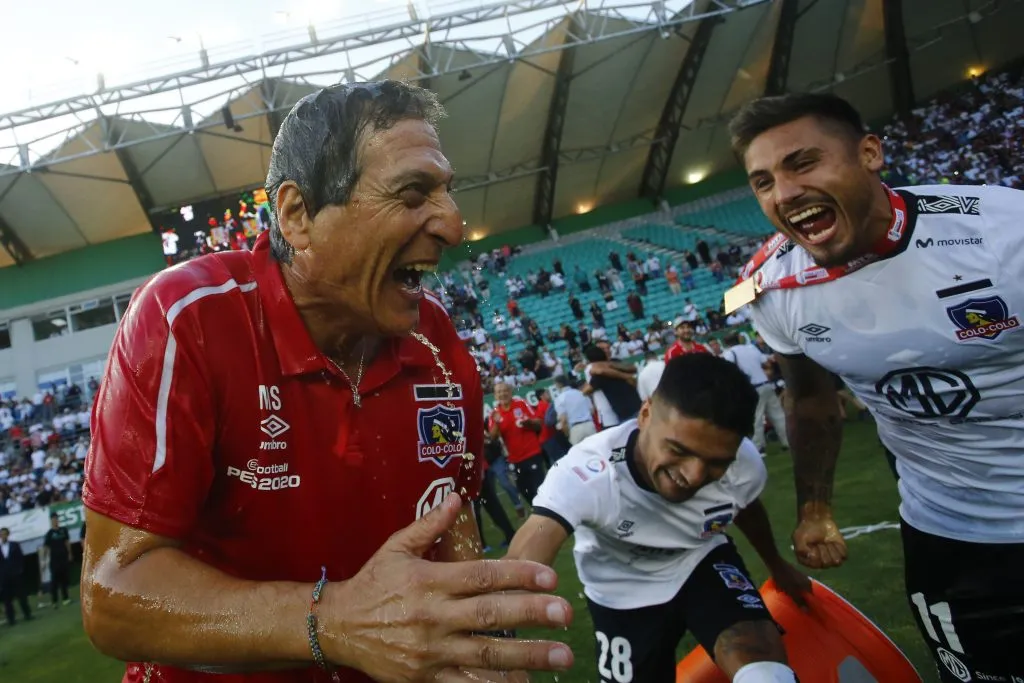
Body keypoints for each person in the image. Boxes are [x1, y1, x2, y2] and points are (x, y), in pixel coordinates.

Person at [80, 81, 574, 683]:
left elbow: (451, 515)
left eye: (447, 192)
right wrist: (334, 620)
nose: (453, 223)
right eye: (413, 193)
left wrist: (465, 636)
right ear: (298, 214)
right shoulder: (188, 318)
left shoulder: (437, 341)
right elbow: (113, 592)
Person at [728, 91, 1024, 681]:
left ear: (869, 153)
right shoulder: (772, 287)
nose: (783, 194)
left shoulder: (1005, 228)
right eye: (762, 182)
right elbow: (810, 400)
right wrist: (815, 508)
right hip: (950, 536)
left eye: (803, 163)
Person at [505, 355, 809, 683]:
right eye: (678, 450)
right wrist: (500, 653)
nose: (693, 476)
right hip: (619, 590)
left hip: (699, 561)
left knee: (764, 669)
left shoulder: (744, 466)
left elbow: (744, 506)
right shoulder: (588, 472)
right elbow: (522, 561)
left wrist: (776, 564)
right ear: (645, 414)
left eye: (715, 463)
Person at [721, 333, 789, 453]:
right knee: (778, 415)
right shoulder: (751, 349)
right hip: (766, 384)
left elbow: (728, 369)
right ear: (738, 339)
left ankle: (759, 447)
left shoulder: (730, 353)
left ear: (725, 343)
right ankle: (788, 441)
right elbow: (765, 361)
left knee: (756, 418)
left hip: (752, 388)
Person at [489, 382, 547, 505]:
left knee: (541, 488)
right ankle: (540, 511)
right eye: (499, 392)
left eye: (505, 390)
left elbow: (538, 423)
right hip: (515, 460)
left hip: (532, 453)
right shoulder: (494, 414)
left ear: (511, 392)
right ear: (495, 395)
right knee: (524, 490)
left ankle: (551, 511)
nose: (502, 394)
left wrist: (528, 423)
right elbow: (493, 437)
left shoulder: (522, 404)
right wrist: (497, 422)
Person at [0, 527, 33, 626]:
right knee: (7, 600)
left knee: (22, 596)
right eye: (2, 534)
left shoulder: (15, 545)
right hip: (5, 577)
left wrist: (19, 570)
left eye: (5, 534)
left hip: (16, 575)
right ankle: (11, 619)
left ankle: (27, 614)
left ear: (8, 535)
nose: (3, 536)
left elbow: (20, 558)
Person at [42, 512, 73, 606]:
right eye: (53, 519)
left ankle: (65, 598)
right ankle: (54, 600)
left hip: (63, 558)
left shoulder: (63, 530)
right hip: (54, 560)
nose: (55, 521)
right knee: (54, 581)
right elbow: (46, 548)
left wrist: (70, 553)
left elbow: (67, 542)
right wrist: (44, 560)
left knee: (64, 579)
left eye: (56, 519)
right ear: (51, 521)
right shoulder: (49, 533)